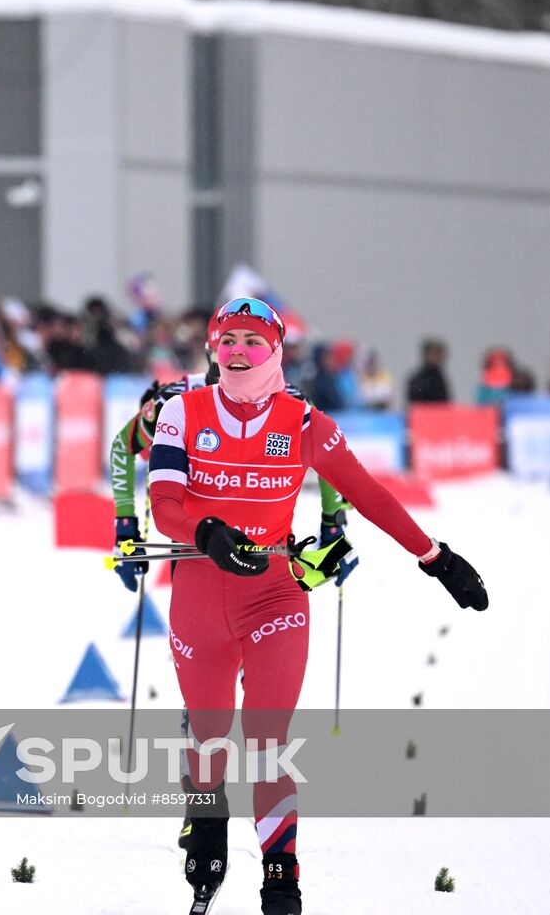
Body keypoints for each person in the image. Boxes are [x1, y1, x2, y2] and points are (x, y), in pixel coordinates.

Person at [146, 298, 487, 914]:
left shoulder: (303, 422)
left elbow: (370, 493)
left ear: (276, 351)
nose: (239, 352)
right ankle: (208, 822)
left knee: (267, 743)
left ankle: (280, 876)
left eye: (254, 341)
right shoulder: (181, 412)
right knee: (209, 738)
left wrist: (434, 556)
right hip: (198, 596)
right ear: (211, 350)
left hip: (275, 594)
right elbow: (164, 501)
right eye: (228, 340)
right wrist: (206, 532)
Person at [108, 314, 359, 857]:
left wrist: (334, 528)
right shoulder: (175, 404)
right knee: (205, 707)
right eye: (227, 354)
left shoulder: (283, 399)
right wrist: (125, 524)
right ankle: (202, 799)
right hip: (196, 551)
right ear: (211, 358)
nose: (239, 369)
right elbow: (120, 449)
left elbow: (333, 470)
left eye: (251, 354)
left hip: (264, 561)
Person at [406, 338, 452, 403]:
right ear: (426, 355)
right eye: (434, 354)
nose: (437, 358)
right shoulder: (417, 378)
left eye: (439, 355)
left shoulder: (440, 378)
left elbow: (446, 401)